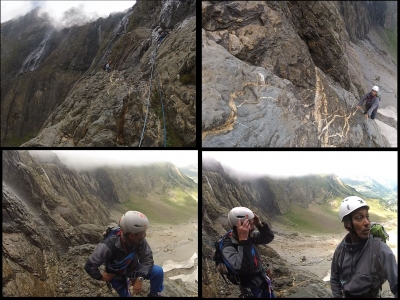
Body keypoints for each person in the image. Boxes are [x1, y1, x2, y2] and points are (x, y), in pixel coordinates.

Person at [84, 211, 166, 297]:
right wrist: (101, 277)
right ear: (132, 235)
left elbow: (147, 259)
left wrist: (140, 278)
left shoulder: (140, 240)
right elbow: (90, 266)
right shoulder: (108, 245)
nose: (145, 235)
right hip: (116, 275)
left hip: (133, 268)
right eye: (142, 233)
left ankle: (154, 295)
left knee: (158, 271)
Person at [330, 196, 398, 298]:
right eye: (359, 218)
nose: (367, 222)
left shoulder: (380, 249)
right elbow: (335, 279)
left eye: (367, 216)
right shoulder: (341, 250)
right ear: (347, 224)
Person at [221, 207, 275, 298]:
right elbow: (244, 268)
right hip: (251, 288)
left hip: (263, 280)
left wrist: (259, 224)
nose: (253, 227)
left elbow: (268, 238)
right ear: (238, 226)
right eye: (249, 224)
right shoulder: (227, 247)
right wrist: (243, 241)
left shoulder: (249, 236)